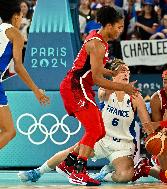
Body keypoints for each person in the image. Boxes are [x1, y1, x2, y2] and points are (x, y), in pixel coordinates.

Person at [30, 6, 135, 186]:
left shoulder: (99, 38)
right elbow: (96, 78)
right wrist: (123, 87)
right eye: (118, 27)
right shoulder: (98, 44)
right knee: (94, 130)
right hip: (75, 87)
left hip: (80, 87)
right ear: (109, 25)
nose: (120, 30)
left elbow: (94, 69)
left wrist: (111, 71)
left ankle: (67, 164)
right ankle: (78, 172)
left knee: (100, 131)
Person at [18, 60, 149, 183]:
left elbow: (146, 123)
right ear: (113, 74)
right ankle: (38, 172)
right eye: (121, 71)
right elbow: (103, 91)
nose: (126, 73)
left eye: (127, 71)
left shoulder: (135, 97)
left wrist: (152, 135)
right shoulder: (106, 91)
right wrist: (118, 85)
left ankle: (103, 175)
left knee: (125, 176)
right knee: (71, 151)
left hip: (123, 145)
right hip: (101, 140)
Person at [0, 0, 49, 149]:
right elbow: (19, 66)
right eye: (21, 16)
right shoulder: (16, 34)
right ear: (16, 16)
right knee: (9, 131)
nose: (21, 19)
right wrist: (36, 90)